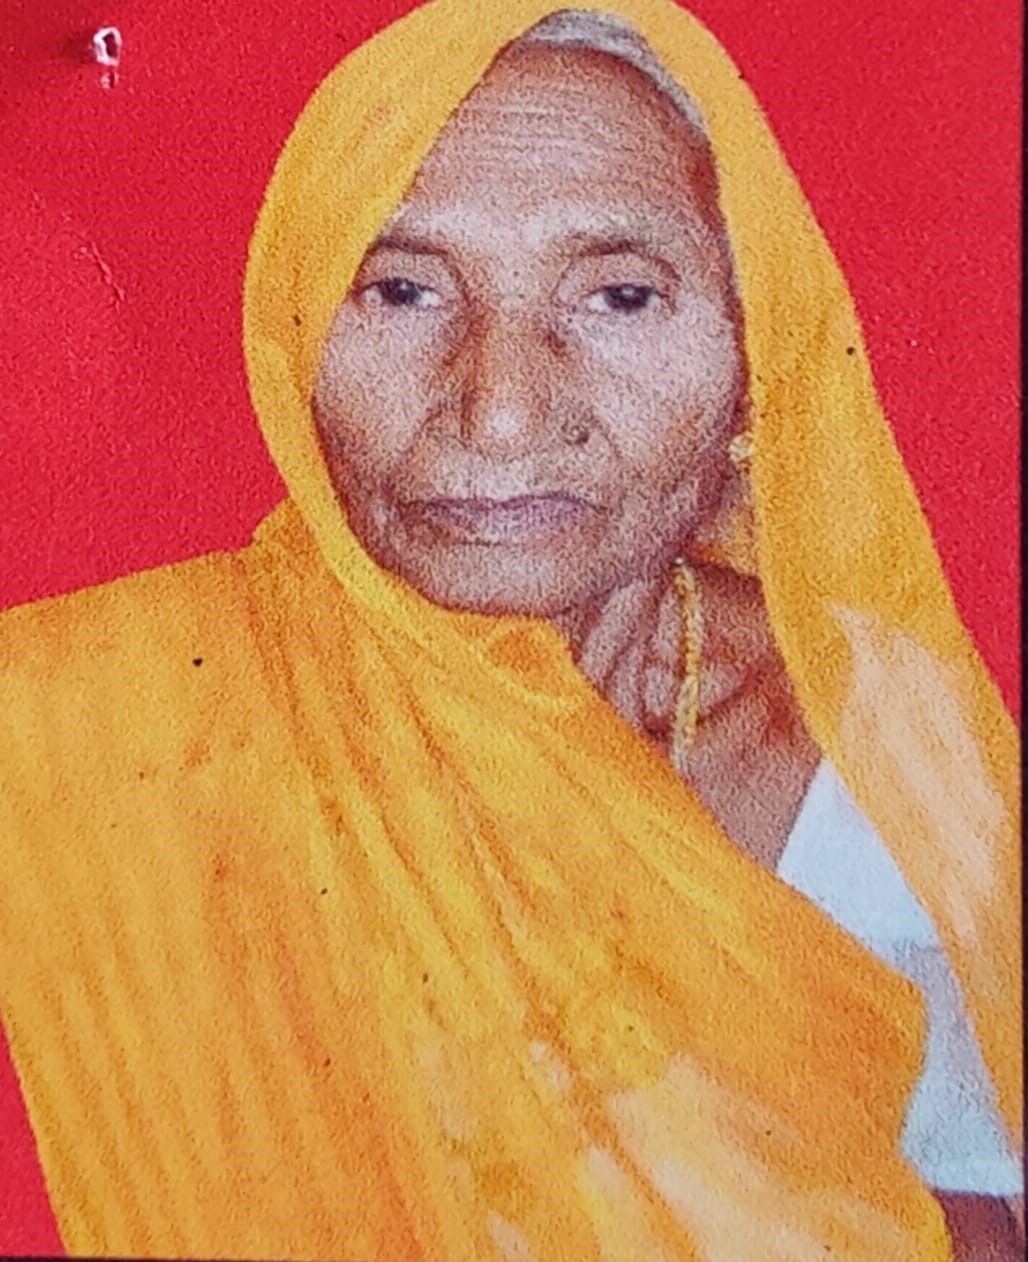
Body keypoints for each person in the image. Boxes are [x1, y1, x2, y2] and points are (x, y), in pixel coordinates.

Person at [0, 1, 1020, 1258]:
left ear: (756, 356)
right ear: (291, 334)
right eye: (404, 288)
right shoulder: (77, 734)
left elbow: (981, 1204)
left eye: (618, 296)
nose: (498, 411)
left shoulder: (881, 722)